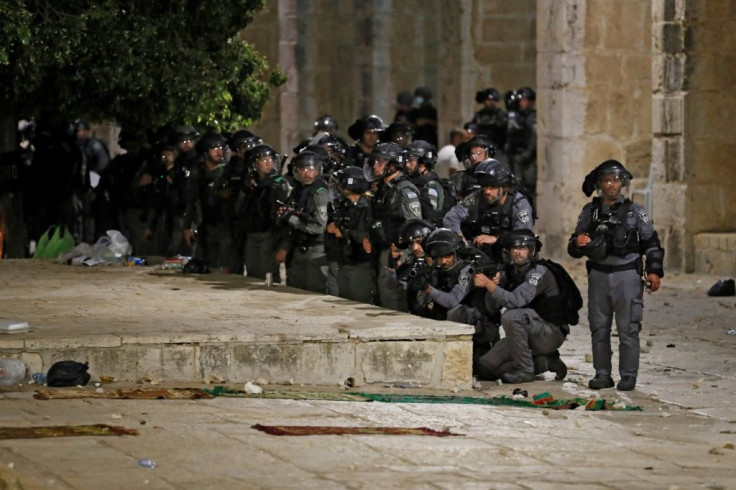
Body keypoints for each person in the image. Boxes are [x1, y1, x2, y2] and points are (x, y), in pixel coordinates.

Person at [568, 159, 664, 391]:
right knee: (599, 328)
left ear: (623, 183)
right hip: (599, 276)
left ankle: (628, 375)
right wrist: (579, 243)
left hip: (627, 276)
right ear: (600, 184)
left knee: (628, 328)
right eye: (607, 180)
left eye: (616, 180)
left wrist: (654, 271)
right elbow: (573, 246)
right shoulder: (589, 212)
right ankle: (602, 374)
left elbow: (651, 242)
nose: (612, 185)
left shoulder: (635, 211)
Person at [474, 229, 569, 383]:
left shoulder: (539, 272)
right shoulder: (510, 272)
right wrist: (494, 284)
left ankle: (525, 370)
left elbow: (516, 301)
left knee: (511, 316)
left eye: (523, 248)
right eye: (515, 248)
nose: (519, 252)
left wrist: (488, 284)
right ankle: (545, 362)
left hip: (550, 331)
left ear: (531, 251)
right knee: (485, 367)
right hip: (526, 332)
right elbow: (492, 308)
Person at [364, 142, 422, 311]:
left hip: (398, 253)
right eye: (374, 161)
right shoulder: (383, 189)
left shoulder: (404, 190)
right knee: (381, 297)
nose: (375, 165)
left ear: (393, 164)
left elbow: (415, 227)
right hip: (381, 249)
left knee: (393, 301)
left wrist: (403, 254)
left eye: (380, 161)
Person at [443, 158, 534, 263]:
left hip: (510, 258)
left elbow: (523, 237)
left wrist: (496, 239)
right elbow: (451, 217)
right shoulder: (478, 197)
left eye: (492, 187)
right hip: (481, 255)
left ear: (504, 187)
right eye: (485, 186)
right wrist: (460, 240)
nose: (487, 191)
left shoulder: (519, 204)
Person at [275, 151, 330, 294]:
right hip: (298, 247)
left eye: (311, 169)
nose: (307, 173)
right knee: (294, 290)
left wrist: (291, 218)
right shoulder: (298, 191)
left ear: (318, 169)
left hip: (316, 249)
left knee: (314, 292)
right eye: (303, 169)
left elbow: (318, 227)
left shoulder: (320, 192)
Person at [183, 131, 239, 272]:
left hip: (226, 226)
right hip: (205, 226)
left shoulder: (229, 171)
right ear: (205, 151)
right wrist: (187, 227)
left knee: (226, 268)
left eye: (221, 147)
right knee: (207, 266)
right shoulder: (198, 172)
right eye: (214, 148)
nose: (219, 151)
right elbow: (191, 199)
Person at [239, 144, 291, 282]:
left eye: (270, 159)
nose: (269, 162)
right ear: (255, 163)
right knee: (251, 273)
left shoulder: (279, 183)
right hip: (252, 233)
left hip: (270, 234)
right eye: (263, 159)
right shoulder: (251, 184)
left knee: (268, 274)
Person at [326, 166, 374, 303]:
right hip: (344, 261)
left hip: (360, 263)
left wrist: (344, 232)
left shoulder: (366, 206)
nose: (338, 186)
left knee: (358, 300)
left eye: (342, 183)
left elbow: (367, 234)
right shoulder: (344, 205)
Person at [403, 140, 445, 225]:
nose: (407, 164)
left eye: (411, 160)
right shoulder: (413, 181)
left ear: (423, 163)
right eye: (406, 160)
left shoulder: (431, 185)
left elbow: (432, 217)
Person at [506, 86, 537, 201]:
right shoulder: (517, 117)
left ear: (530, 102)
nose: (521, 103)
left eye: (523, 100)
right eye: (520, 100)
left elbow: (533, 139)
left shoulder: (532, 117)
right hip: (516, 158)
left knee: (529, 187)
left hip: (528, 160)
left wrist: (526, 155)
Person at [450, 135, 496, 199]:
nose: (474, 157)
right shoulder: (459, 179)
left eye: (479, 153)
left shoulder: (499, 177)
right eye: (472, 154)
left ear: (489, 155)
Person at [472, 87, 508, 160]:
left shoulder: (500, 114)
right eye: (488, 100)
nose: (490, 102)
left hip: (498, 149)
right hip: (482, 149)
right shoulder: (479, 115)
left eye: (493, 100)